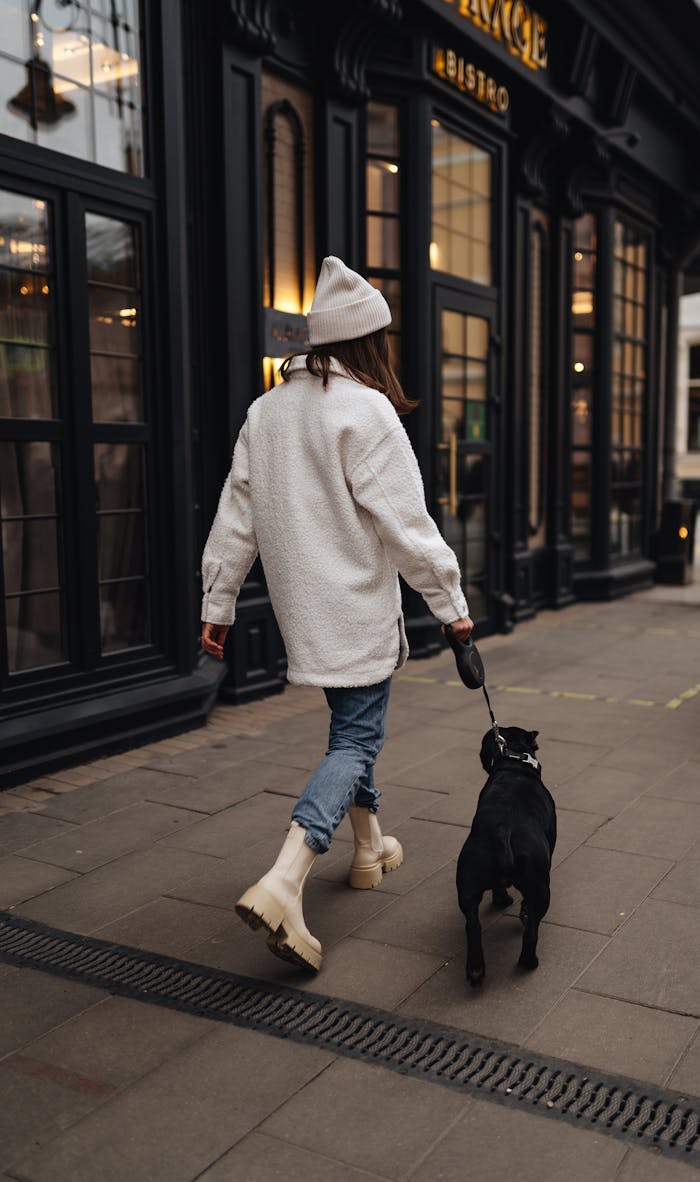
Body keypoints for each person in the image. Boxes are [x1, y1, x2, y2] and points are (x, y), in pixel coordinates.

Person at [200, 256, 473, 973]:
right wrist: (451, 605)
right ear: (369, 342)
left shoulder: (266, 411)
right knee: (355, 740)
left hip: (304, 610)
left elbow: (237, 516)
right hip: (354, 608)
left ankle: (370, 848)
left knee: (349, 726)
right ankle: (285, 880)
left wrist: (218, 599)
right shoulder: (366, 410)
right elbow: (407, 526)